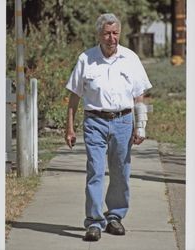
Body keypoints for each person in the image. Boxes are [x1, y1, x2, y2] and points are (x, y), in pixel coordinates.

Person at [64, 13, 152, 241]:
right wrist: (70, 128)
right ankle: (93, 222)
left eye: (115, 33)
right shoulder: (86, 59)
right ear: (99, 35)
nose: (111, 38)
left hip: (123, 121)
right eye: (107, 33)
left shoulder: (130, 58)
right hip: (95, 121)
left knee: (121, 173)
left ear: (119, 33)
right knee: (95, 170)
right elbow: (74, 97)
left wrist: (140, 126)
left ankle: (115, 217)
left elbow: (140, 95)